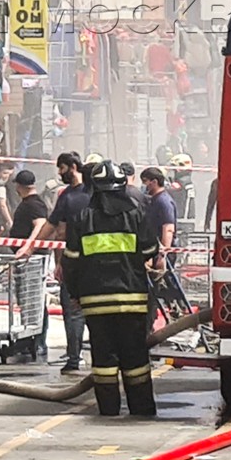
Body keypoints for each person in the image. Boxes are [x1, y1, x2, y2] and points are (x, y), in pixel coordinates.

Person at [62, 160, 158, 416]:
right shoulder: (136, 213)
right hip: (132, 299)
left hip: (95, 302)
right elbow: (150, 250)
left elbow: (70, 262)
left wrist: (74, 294)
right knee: (135, 359)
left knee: (103, 360)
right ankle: (142, 409)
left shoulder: (83, 217)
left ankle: (108, 409)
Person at [19, 151, 89, 373]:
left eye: (62, 168)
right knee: (85, 312)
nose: (60, 173)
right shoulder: (79, 194)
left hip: (76, 265)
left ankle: (74, 358)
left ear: (73, 166)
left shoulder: (71, 196)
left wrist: (32, 248)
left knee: (73, 311)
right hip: (92, 264)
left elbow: (55, 229)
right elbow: (55, 228)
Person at [8, 169, 51, 363]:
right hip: (28, 258)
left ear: (19, 186)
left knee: (33, 299)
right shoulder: (30, 203)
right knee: (27, 299)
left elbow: (40, 224)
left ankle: (37, 341)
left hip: (31, 260)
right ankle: (29, 338)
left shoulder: (34, 204)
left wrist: (28, 247)